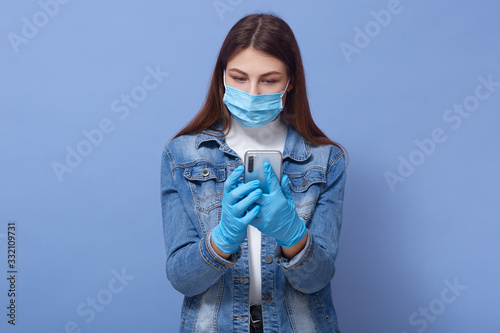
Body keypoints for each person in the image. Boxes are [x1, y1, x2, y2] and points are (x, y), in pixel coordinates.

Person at [161, 13, 346, 333]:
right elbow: (182, 280)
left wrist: (292, 233)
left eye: (269, 80)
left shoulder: (325, 159)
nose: (253, 92)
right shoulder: (182, 155)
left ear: (290, 82)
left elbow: (317, 280)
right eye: (239, 77)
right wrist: (223, 238)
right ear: (222, 78)